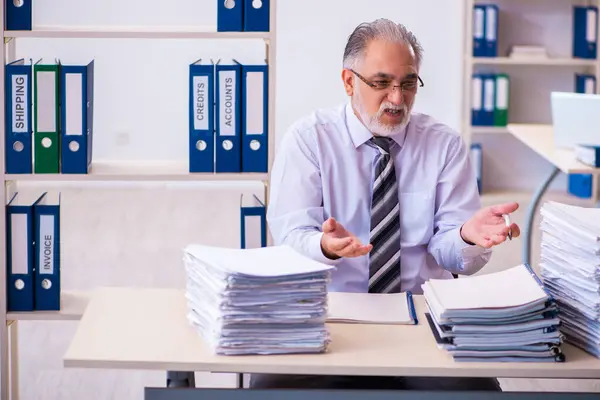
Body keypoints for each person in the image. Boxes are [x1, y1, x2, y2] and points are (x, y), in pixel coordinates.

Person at [253, 19, 521, 391]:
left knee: (478, 392)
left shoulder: (443, 145)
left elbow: (453, 256)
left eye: (408, 84)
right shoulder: (309, 139)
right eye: (381, 83)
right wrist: (324, 247)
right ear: (349, 81)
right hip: (331, 319)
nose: (397, 99)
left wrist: (466, 236)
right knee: (270, 388)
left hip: (423, 321)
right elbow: (290, 234)